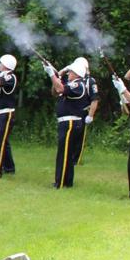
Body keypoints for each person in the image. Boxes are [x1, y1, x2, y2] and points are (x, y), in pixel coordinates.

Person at [46, 57, 89, 188]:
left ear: (77, 74)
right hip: (67, 122)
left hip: (70, 123)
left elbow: (60, 89)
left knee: (63, 153)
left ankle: (60, 182)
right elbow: (55, 91)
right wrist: (55, 77)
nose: (68, 73)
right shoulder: (71, 85)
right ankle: (67, 181)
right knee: (67, 153)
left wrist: (51, 74)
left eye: (70, 72)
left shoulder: (78, 85)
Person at [76, 58, 100, 164]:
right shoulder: (72, 80)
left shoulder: (90, 81)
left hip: (82, 112)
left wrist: (90, 115)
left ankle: (76, 158)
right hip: (71, 111)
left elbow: (94, 99)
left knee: (79, 137)